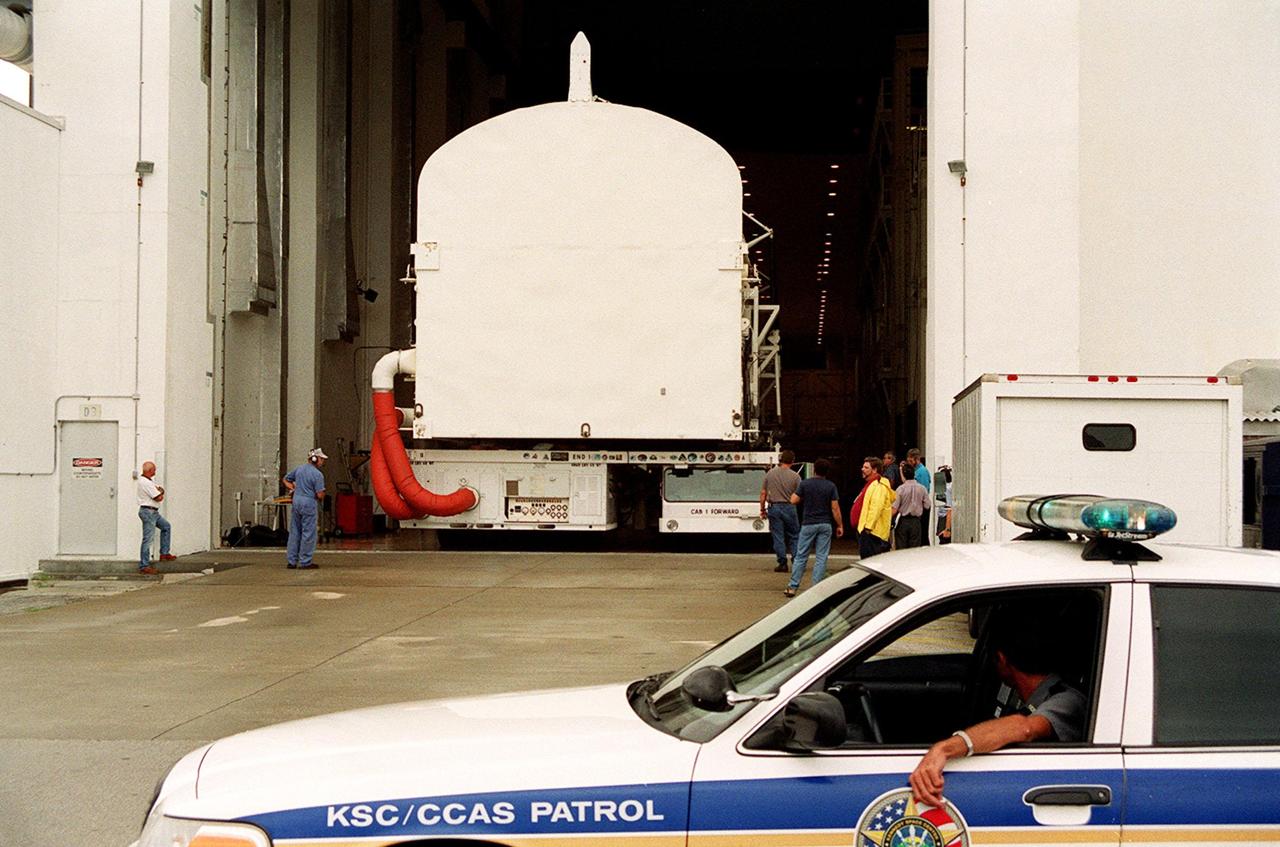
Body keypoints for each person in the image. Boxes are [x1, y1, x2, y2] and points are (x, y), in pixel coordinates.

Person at [908, 612, 1087, 807]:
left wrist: (943, 750)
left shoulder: (1067, 699)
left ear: (1002, 660)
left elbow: (1025, 727)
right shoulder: (1021, 695)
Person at [785, 458, 843, 597]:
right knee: (821, 557)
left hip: (808, 524)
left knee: (801, 556)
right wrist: (840, 525)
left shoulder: (805, 484)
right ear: (827, 472)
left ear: (814, 470)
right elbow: (835, 508)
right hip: (825, 524)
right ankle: (815, 588)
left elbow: (793, 500)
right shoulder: (831, 486)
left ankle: (793, 586)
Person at [283, 448, 328, 570]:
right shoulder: (318, 475)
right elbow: (320, 495)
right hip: (308, 502)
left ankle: (292, 561)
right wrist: (322, 493)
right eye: (321, 459)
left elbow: (285, 479)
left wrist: (293, 489)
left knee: (295, 531)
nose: (322, 461)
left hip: (296, 501)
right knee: (308, 532)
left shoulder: (299, 469)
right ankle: (305, 561)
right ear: (315, 459)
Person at [760, 449, 801, 574]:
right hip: (789, 507)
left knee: (778, 536)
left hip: (774, 507)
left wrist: (762, 509)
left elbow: (763, 493)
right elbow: (799, 495)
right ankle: (796, 561)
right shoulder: (796, 476)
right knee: (794, 535)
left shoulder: (770, 474)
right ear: (792, 461)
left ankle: (782, 563)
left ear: (780, 460)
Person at [137, 461, 176, 575]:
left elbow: (161, 490)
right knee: (148, 539)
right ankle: (144, 565)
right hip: (148, 512)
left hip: (153, 512)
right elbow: (158, 497)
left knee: (166, 527)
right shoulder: (145, 482)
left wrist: (160, 492)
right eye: (154, 469)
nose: (155, 471)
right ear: (150, 470)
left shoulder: (149, 481)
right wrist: (160, 493)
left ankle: (164, 553)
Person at [855, 457, 895, 559]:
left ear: (874, 470)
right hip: (869, 533)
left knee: (871, 561)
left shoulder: (879, 486)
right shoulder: (872, 485)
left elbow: (876, 508)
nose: (862, 469)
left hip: (874, 534)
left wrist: (868, 528)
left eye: (866, 467)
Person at [891, 471, 928, 548]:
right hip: (916, 522)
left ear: (903, 476)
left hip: (903, 521)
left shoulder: (900, 489)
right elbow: (927, 505)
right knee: (915, 548)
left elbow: (895, 508)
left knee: (901, 547)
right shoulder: (922, 488)